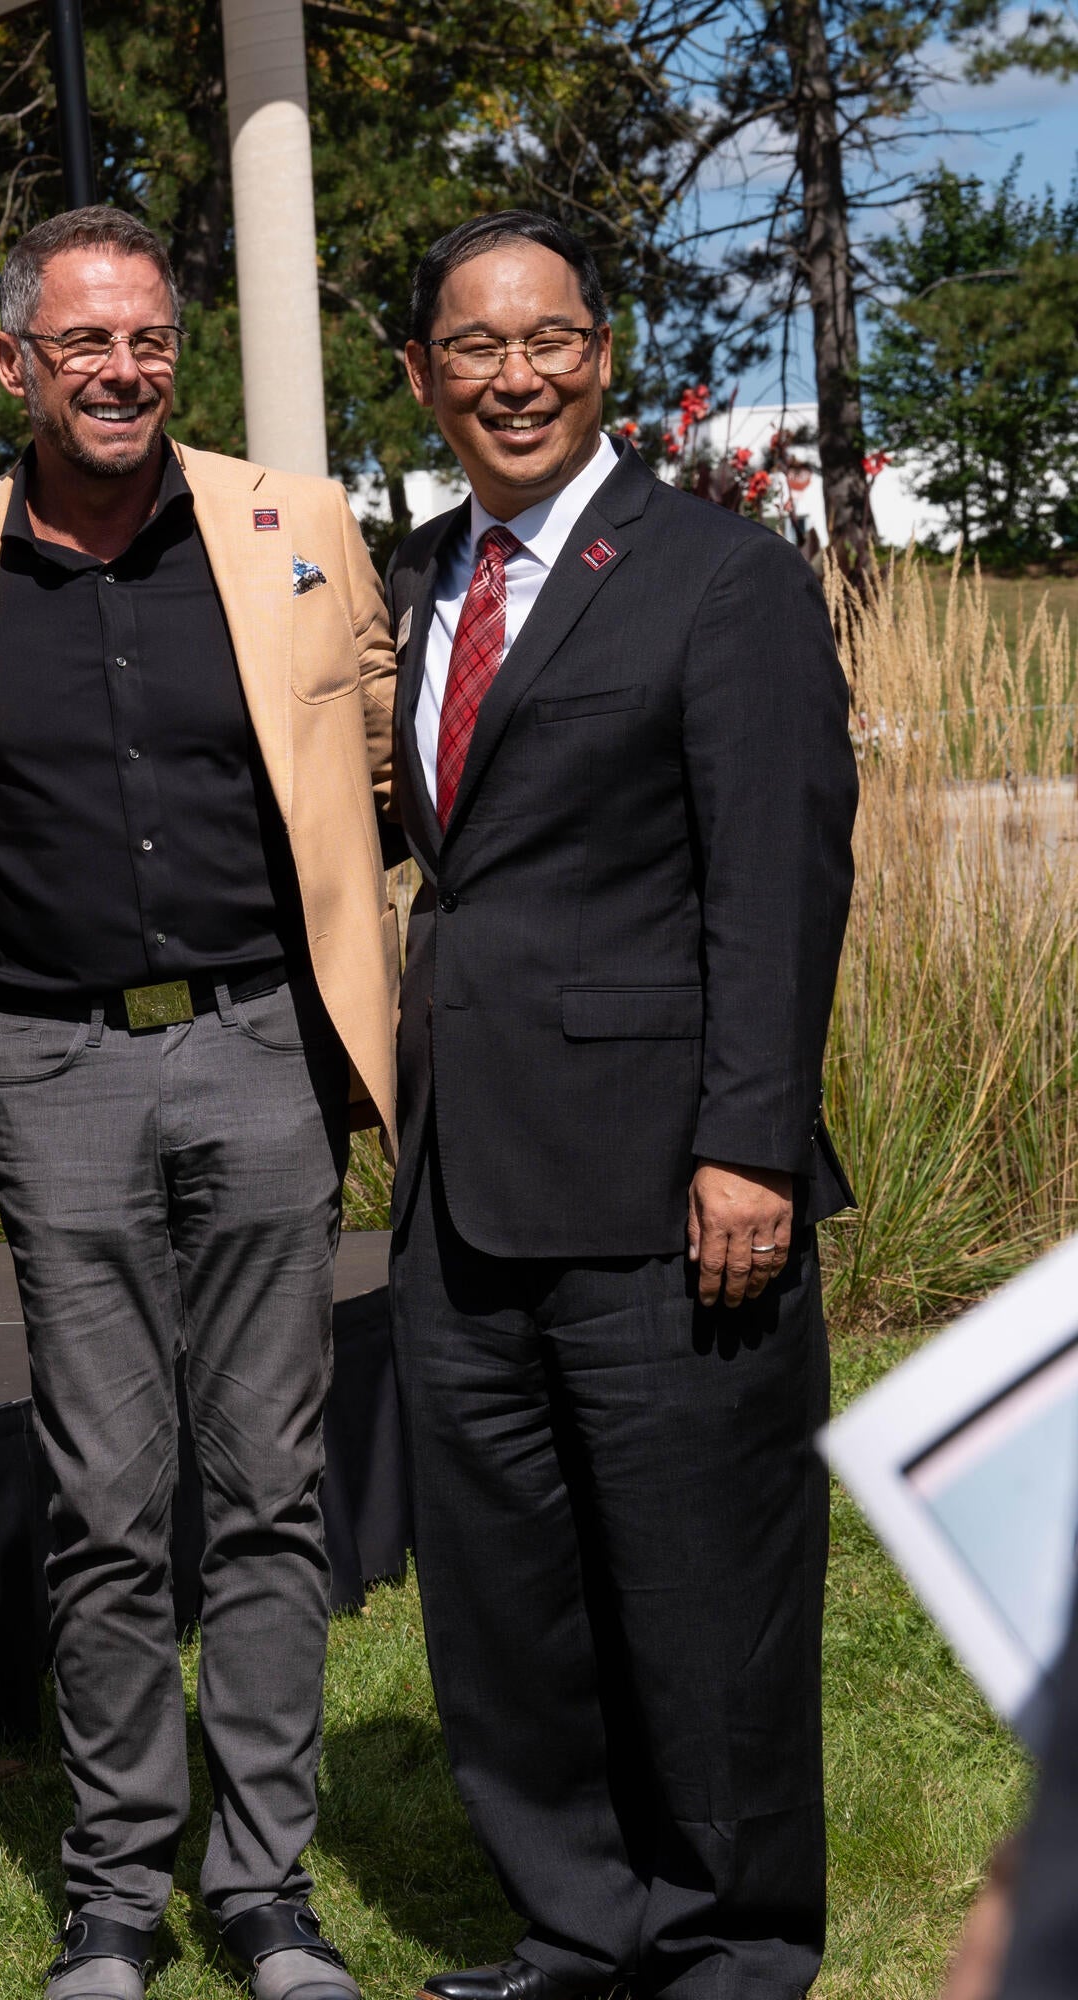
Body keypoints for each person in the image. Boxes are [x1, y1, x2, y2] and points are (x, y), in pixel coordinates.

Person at [0, 206, 398, 2000]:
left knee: (266, 1491)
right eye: (81, 344)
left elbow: (381, 738)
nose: (120, 370)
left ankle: (262, 1891)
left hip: (259, 1049)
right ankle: (110, 1896)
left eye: (148, 339)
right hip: (53, 1059)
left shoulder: (291, 527)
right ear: (11, 364)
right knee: (103, 1504)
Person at [383, 210, 856, 2000]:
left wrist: (749, 1140)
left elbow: (779, 874)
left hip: (668, 1183)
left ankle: (731, 1943)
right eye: (478, 347)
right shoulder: (422, 575)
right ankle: (580, 1926)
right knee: (511, 1596)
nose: (518, 377)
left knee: (699, 1588)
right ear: (425, 374)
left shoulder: (721, 578)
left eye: (552, 340)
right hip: (462, 1188)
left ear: (605, 354)